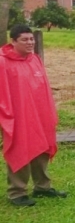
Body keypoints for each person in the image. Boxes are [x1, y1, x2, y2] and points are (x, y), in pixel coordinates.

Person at [0, 24, 67, 207]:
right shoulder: (3, 62)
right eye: (25, 39)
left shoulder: (34, 59)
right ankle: (17, 192)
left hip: (39, 113)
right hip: (16, 116)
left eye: (31, 39)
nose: (30, 43)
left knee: (42, 147)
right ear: (13, 41)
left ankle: (43, 187)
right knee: (20, 148)